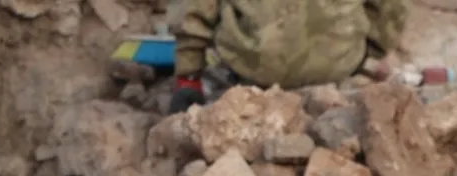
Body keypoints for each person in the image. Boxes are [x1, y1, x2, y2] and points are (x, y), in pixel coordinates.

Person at [169, 0, 407, 114]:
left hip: (254, 64)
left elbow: (194, 10)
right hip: (337, 62)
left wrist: (188, 76)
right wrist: (369, 51)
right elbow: (391, 10)